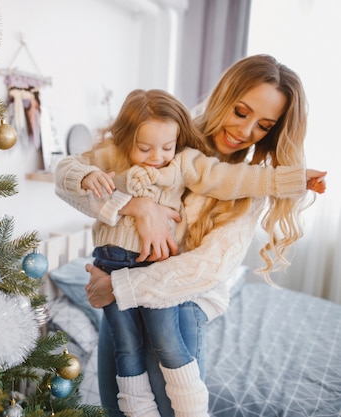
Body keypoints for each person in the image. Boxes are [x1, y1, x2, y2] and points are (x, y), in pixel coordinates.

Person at [55, 54, 326, 417]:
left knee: (176, 408)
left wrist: (119, 288)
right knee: (116, 407)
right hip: (121, 287)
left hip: (178, 303)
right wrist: (135, 206)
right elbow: (74, 184)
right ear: (224, 97)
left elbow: (207, 268)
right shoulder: (162, 136)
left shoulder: (244, 182)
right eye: (241, 112)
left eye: (263, 126)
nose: (245, 132)